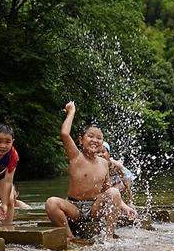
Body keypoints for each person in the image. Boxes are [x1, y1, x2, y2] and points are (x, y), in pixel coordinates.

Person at [45, 101, 136, 241]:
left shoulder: (105, 164)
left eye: (99, 138)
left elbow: (108, 190)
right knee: (51, 203)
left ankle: (109, 236)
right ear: (81, 140)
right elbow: (64, 133)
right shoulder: (76, 156)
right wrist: (71, 112)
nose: (95, 140)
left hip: (94, 207)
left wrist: (125, 208)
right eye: (91, 136)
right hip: (74, 207)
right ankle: (70, 237)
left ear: (102, 143)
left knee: (114, 191)